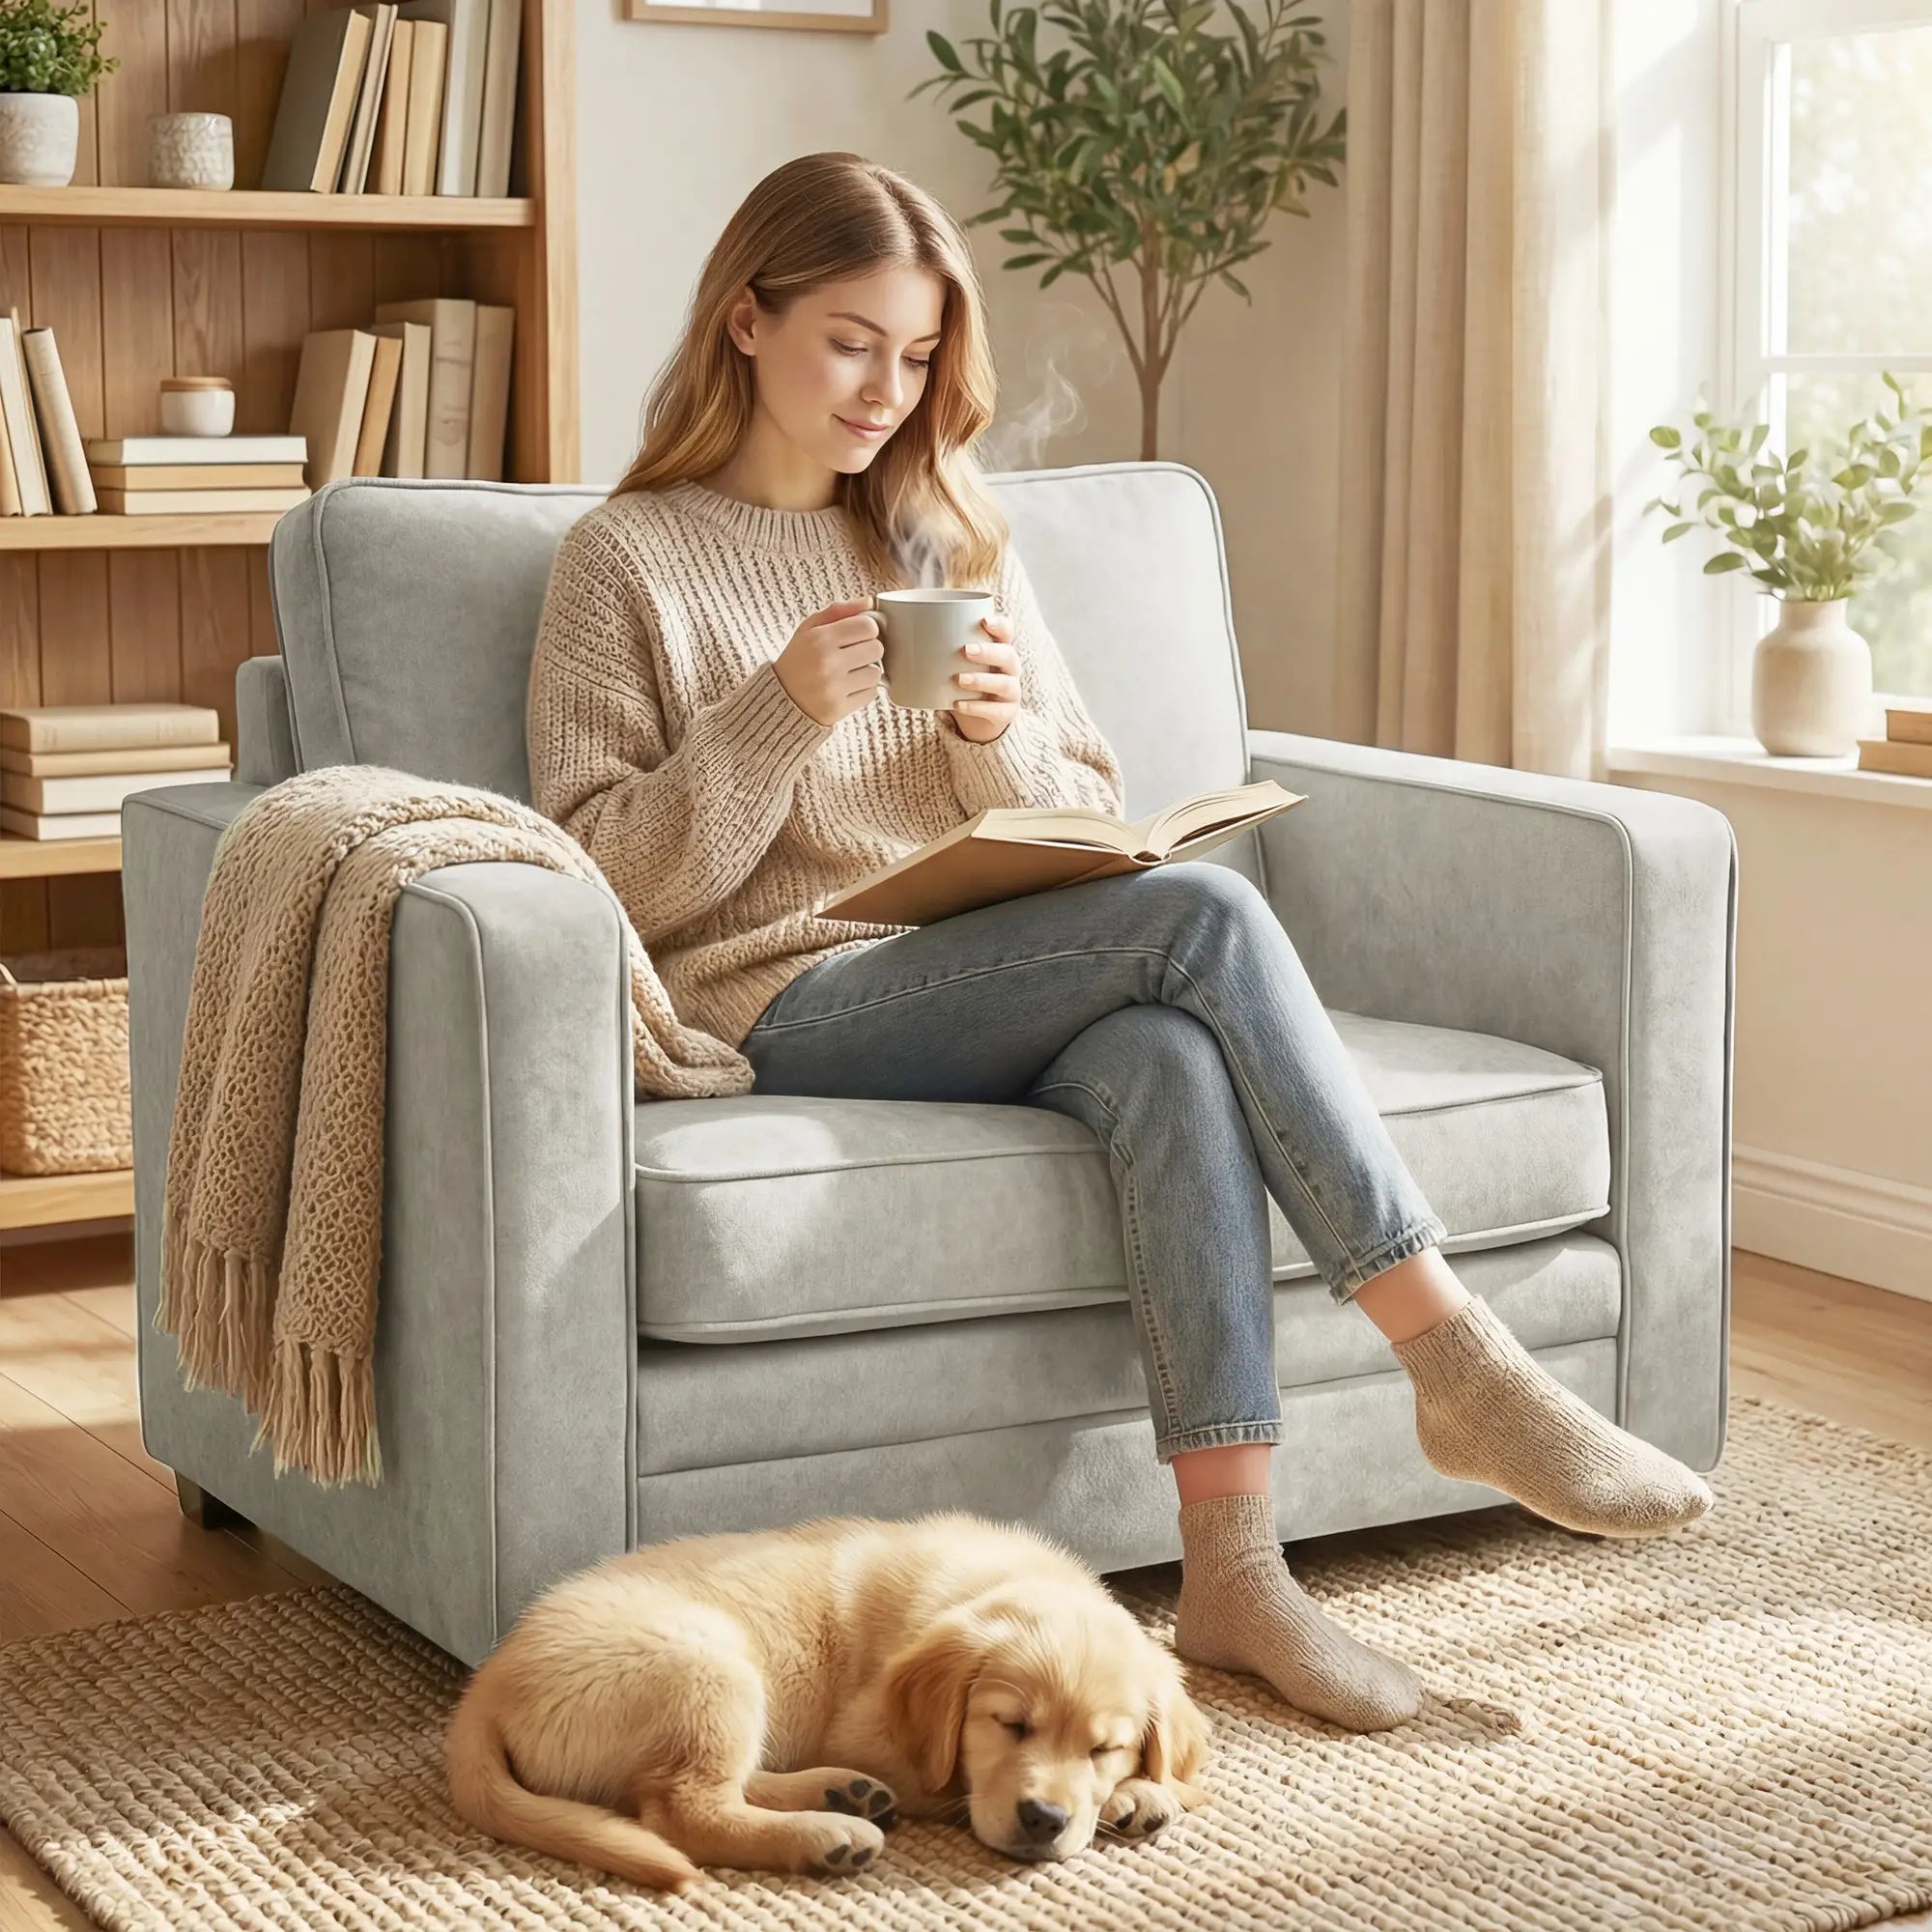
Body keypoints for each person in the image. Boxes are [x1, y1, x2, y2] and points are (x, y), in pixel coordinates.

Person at [525, 152, 1713, 1735]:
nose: (892, 387)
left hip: (988, 959)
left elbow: (1082, 799)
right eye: (852, 341)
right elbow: (597, 872)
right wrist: (773, 715)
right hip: (782, 995)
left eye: (923, 351)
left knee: (1167, 1058)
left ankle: (1232, 1573)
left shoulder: (950, 530)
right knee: (1209, 914)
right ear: (745, 319)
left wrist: (988, 736)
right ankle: (1461, 1366)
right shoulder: (626, 561)